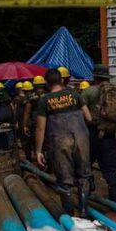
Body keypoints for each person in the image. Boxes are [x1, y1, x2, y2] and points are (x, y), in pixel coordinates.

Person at [35, 68, 93, 217]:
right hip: (81, 138)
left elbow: (40, 128)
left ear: (47, 83)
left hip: (59, 141)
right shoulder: (75, 94)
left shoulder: (44, 100)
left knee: (64, 180)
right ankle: (84, 211)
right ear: (62, 80)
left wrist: (38, 151)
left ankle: (70, 218)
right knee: (84, 176)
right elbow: (89, 118)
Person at [82, 64, 116, 203]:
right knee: (111, 169)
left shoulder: (89, 92)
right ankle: (115, 202)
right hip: (113, 137)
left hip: (93, 135)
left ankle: (86, 199)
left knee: (85, 166)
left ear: (95, 77)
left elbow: (80, 112)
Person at [23, 76, 46, 160]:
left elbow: (27, 111)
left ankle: (39, 157)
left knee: (36, 139)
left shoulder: (31, 97)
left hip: (36, 121)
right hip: (48, 120)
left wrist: (25, 125)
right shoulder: (48, 95)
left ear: (34, 85)